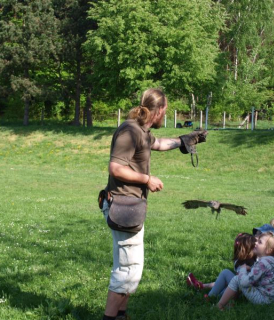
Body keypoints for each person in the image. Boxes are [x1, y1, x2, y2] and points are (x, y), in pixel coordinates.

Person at [101, 88, 207, 320]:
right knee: (128, 270)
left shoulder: (141, 131)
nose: (165, 116)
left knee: (130, 268)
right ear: (157, 111)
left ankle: (120, 315)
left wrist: (183, 140)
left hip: (130, 208)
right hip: (122, 206)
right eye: (165, 111)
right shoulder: (129, 131)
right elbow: (116, 168)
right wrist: (147, 179)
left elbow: (157, 143)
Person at [217, 232, 274, 310]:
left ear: (268, 250)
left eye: (260, 242)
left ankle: (219, 306)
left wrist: (243, 269)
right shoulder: (272, 261)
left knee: (237, 279)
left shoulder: (262, 263)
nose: (256, 243)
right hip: (273, 299)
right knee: (242, 278)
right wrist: (250, 269)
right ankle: (230, 304)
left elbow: (244, 282)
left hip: (265, 300)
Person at [186, 233, 257, 299]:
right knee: (228, 280)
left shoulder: (252, 264)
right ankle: (206, 291)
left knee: (226, 274)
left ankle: (211, 297)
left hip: (245, 291)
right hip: (241, 288)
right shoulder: (240, 261)